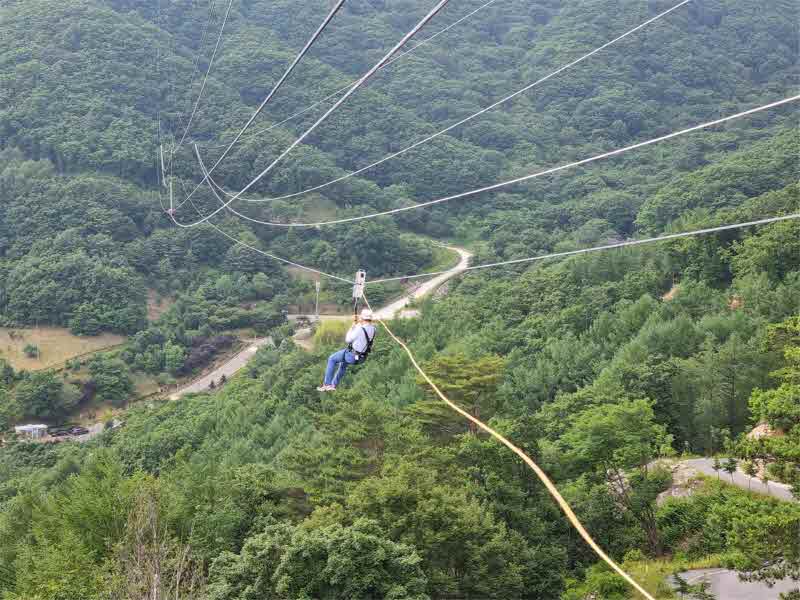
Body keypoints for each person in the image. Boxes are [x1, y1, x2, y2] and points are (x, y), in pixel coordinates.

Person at [317, 309, 376, 391]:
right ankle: (333, 385)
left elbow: (348, 339)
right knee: (343, 364)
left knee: (332, 359)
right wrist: (358, 323)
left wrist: (352, 328)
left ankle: (327, 384)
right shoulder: (373, 329)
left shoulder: (359, 329)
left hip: (351, 356)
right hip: (362, 358)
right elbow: (364, 330)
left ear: (362, 318)